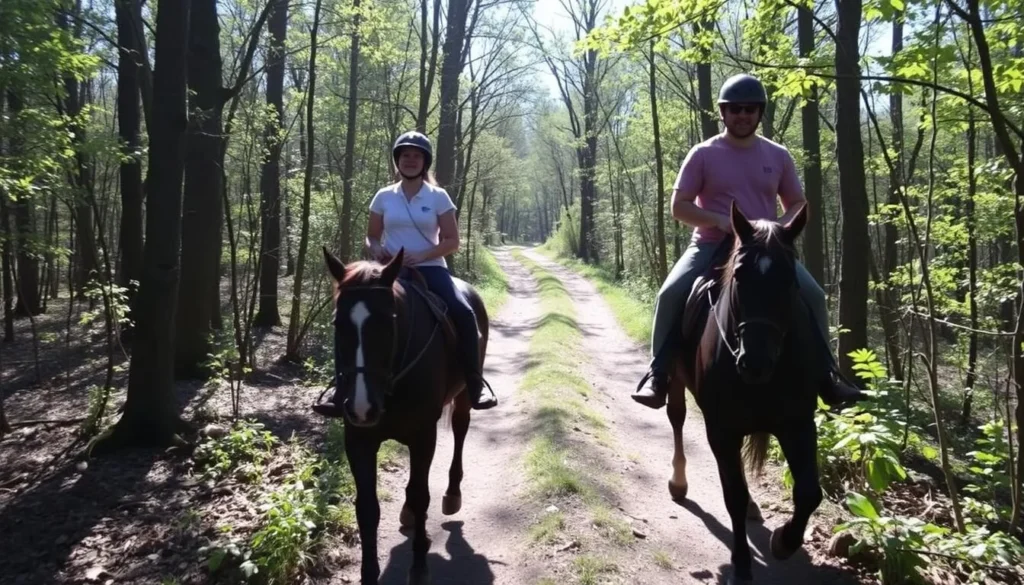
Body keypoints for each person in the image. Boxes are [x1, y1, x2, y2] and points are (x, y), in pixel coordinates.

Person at [631, 73, 865, 410]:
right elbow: (679, 207)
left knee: (813, 294)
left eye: (750, 109)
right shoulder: (703, 153)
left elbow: (797, 203)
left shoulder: (778, 155)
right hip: (711, 244)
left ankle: (827, 376)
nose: (743, 115)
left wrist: (776, 229)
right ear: (723, 112)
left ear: (760, 113)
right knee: (670, 293)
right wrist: (719, 220)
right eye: (735, 109)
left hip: (763, 249)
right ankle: (659, 376)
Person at [365, 130, 497, 410]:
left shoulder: (438, 196)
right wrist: (376, 249)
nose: (410, 160)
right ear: (397, 160)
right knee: (354, 313)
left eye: (416, 156)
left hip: (431, 269)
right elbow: (372, 236)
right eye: (405, 155)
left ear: (425, 162)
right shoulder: (383, 196)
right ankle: (341, 387)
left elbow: (452, 241)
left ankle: (475, 384)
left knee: (465, 313)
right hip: (390, 270)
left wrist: (422, 254)